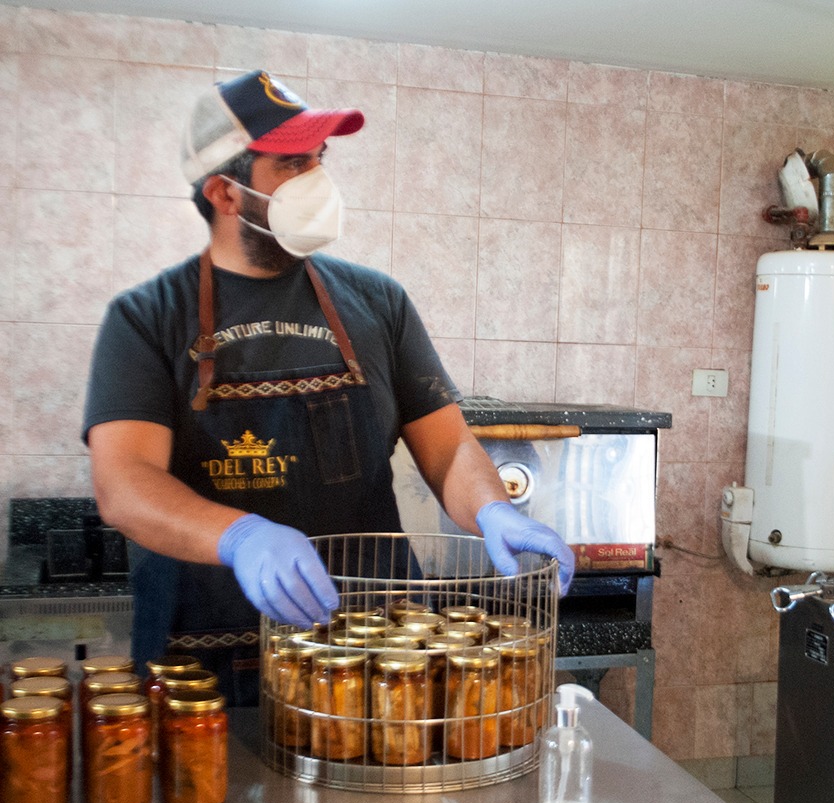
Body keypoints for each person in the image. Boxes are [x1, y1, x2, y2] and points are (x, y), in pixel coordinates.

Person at [83, 69, 574, 704]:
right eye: (291, 164)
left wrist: (492, 510)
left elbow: (448, 448)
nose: (317, 179)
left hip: (376, 650)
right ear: (224, 194)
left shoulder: (379, 302)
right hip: (207, 662)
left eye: (320, 159)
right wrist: (241, 536)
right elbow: (124, 485)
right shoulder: (146, 317)